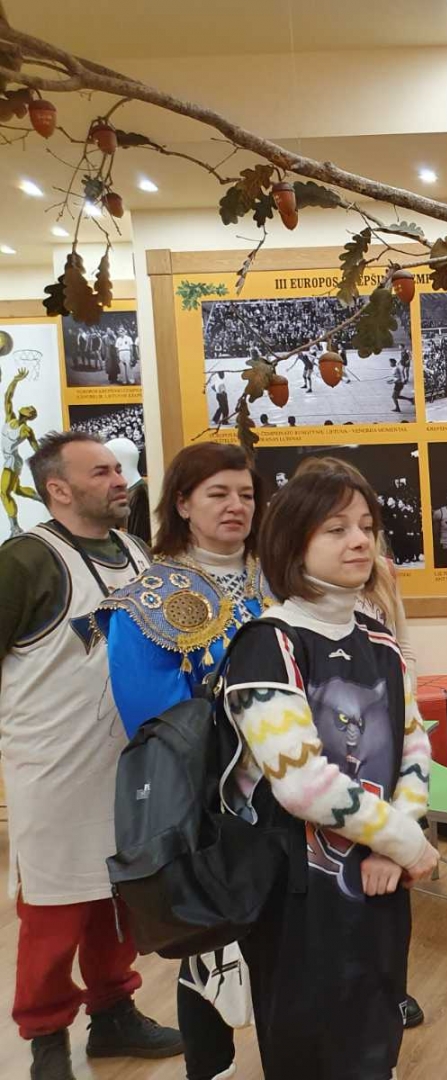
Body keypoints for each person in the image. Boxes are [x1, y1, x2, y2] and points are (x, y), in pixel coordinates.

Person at [221, 462, 438, 1078]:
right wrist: (401, 840)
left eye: (366, 526)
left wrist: (395, 845)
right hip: (298, 893)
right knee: (309, 1047)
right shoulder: (269, 642)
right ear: (294, 543)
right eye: (337, 529)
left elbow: (414, 745)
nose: (360, 541)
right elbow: (300, 783)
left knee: (375, 1033)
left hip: (379, 878)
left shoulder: (380, 640)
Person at [0, 432, 181, 1080]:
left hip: (126, 765)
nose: (119, 479)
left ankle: (113, 1015)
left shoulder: (135, 552)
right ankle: (46, 1039)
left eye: (118, 469)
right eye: (100, 472)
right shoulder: (25, 560)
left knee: (118, 898)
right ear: (59, 488)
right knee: (55, 911)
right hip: (52, 771)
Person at [96, 442, 270, 1080]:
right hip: (207, 802)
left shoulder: (279, 576)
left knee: (288, 941)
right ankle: (211, 1068)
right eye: (218, 493)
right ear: (183, 503)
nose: (236, 506)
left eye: (246, 494)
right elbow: (160, 727)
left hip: (295, 789)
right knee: (209, 941)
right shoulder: (147, 600)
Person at [3, 368, 42, 538]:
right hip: (9, 459)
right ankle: (42, 498)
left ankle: (15, 528)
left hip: (12, 461)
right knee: (17, 490)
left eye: (29, 409)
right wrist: (15, 380)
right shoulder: (10, 418)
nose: (26, 407)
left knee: (3, 492)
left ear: (28, 415)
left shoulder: (25, 430)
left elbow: (35, 446)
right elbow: (7, 397)